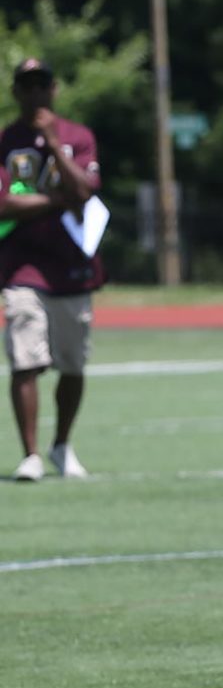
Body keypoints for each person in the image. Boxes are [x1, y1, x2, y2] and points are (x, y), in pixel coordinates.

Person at [0, 58, 103, 482]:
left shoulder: (77, 136)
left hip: (71, 265)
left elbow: (84, 189)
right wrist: (59, 201)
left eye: (42, 84)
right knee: (25, 358)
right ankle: (31, 454)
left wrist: (50, 140)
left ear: (53, 89)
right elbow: (5, 203)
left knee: (72, 363)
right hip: (21, 266)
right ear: (16, 92)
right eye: (27, 85)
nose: (35, 93)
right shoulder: (6, 140)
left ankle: (61, 444)